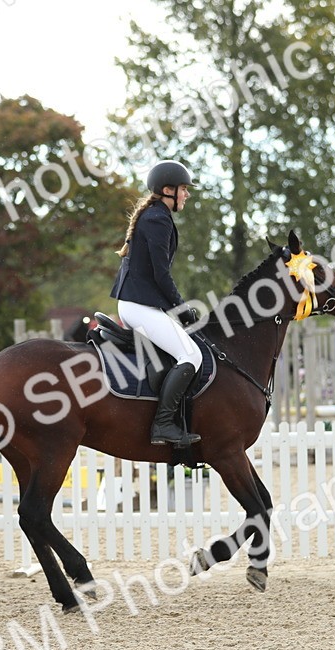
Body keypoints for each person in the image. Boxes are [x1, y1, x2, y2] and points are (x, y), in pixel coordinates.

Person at [109, 159, 202, 448]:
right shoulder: (158, 219)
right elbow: (161, 275)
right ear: (167, 190)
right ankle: (163, 424)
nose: (187, 195)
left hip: (138, 304)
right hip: (140, 306)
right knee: (192, 357)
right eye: (183, 189)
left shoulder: (153, 216)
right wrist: (182, 309)